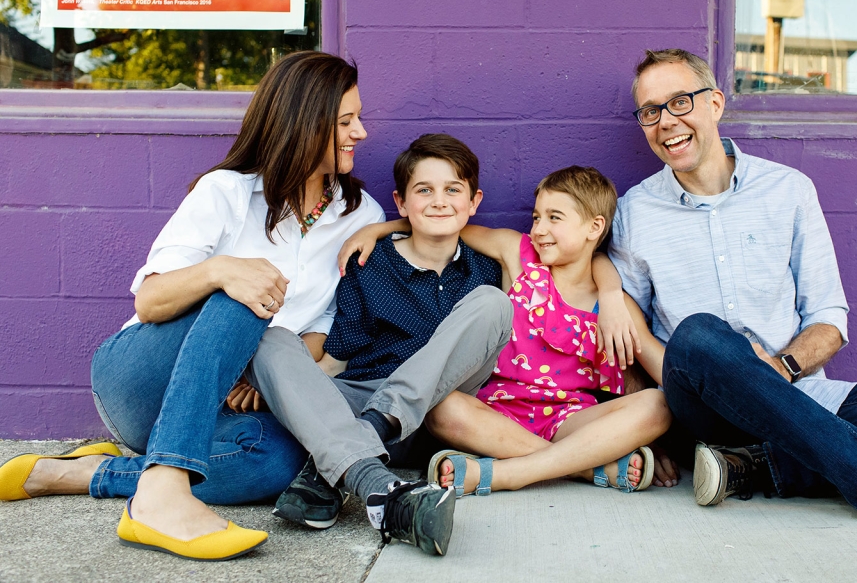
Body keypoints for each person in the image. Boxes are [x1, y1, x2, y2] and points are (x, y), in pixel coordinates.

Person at [0, 51, 387, 560]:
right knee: (246, 290)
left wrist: (266, 370)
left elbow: (326, 325)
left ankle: (91, 472)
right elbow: (151, 300)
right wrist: (220, 271)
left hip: (227, 407)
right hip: (142, 383)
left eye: (358, 118)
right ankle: (161, 500)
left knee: (278, 462)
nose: (360, 132)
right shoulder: (226, 191)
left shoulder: (361, 216)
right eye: (345, 121)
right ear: (303, 122)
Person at [608, 48, 857, 529]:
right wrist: (641, 431)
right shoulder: (635, 211)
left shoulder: (789, 190)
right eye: (651, 111)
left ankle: (755, 466)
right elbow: (627, 339)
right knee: (698, 334)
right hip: (703, 410)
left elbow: (829, 320)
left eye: (680, 102)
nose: (666, 121)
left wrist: (778, 370)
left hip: (801, 394)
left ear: (715, 103)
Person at [233, 133, 513, 556]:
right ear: (401, 202)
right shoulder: (371, 262)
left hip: (439, 410)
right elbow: (336, 359)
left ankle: (344, 459)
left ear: (474, 202)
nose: (439, 201)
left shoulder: (488, 270)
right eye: (424, 190)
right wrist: (285, 384)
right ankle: (372, 471)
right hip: (361, 398)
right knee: (271, 339)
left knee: (494, 304)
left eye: (452, 190)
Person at [423, 166, 674, 497]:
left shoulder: (615, 307)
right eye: (536, 217)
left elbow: (663, 373)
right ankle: (587, 468)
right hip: (496, 412)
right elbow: (449, 228)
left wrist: (653, 437)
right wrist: (385, 227)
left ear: (594, 227)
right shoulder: (520, 256)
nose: (539, 229)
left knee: (657, 405)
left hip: (570, 420)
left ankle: (506, 473)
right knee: (441, 407)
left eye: (554, 218)